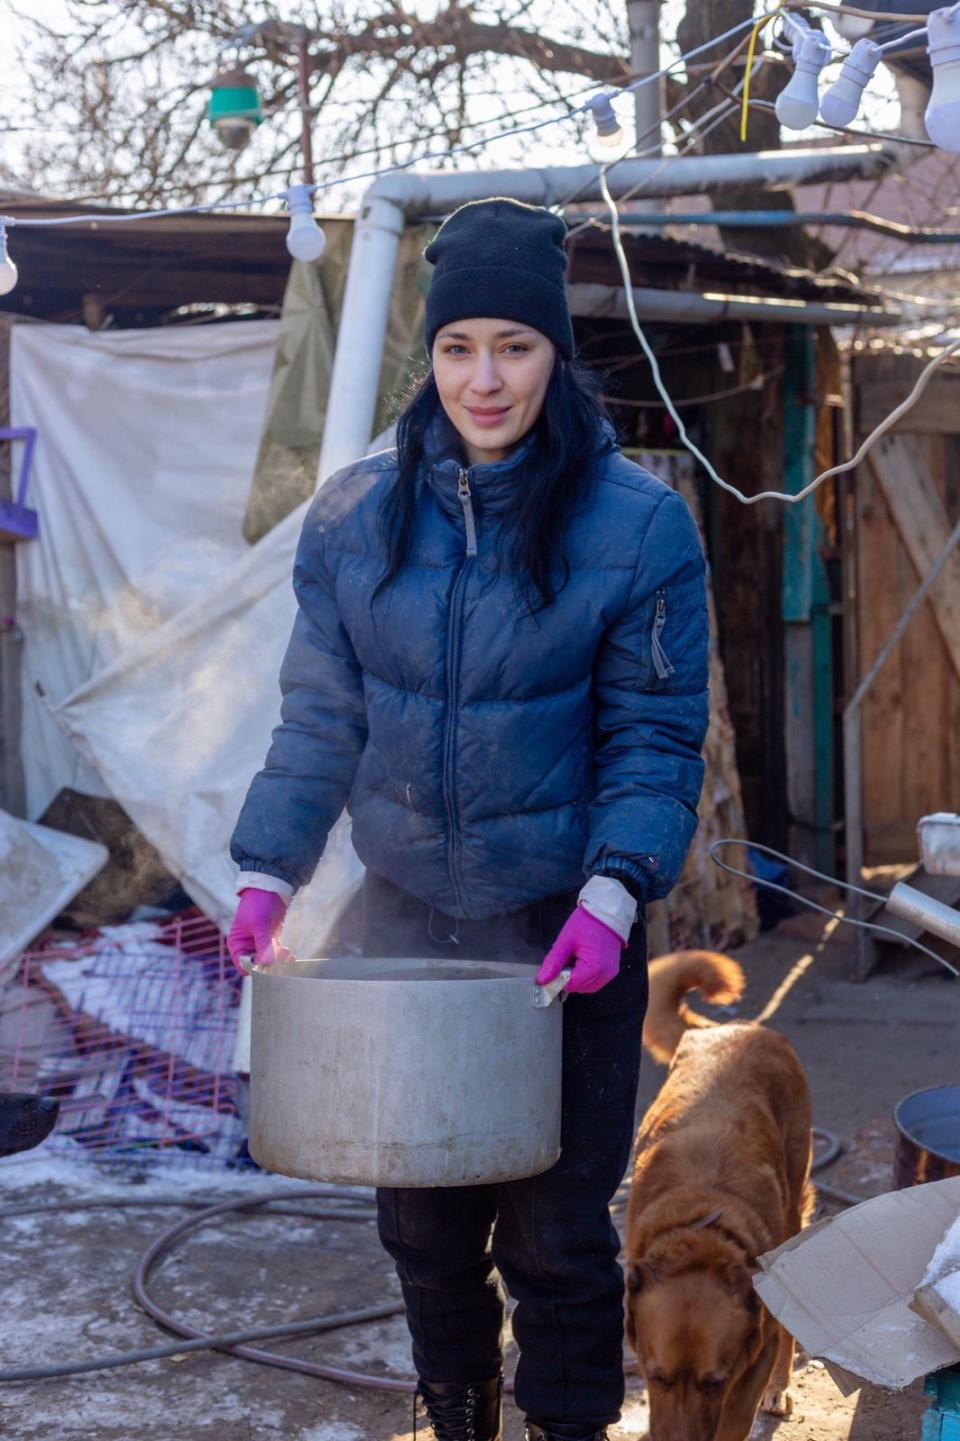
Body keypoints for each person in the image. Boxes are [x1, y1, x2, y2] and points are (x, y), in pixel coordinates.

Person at [227, 197, 710, 1441]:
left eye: (514, 345)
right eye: (457, 348)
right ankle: (458, 1421)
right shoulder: (353, 519)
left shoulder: (639, 524)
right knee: (426, 1228)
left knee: (555, 1233)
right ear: (427, 355)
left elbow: (653, 740)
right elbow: (318, 718)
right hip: (400, 920)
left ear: (556, 351)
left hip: (564, 923)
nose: (483, 379)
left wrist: (615, 893)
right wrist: (270, 868)